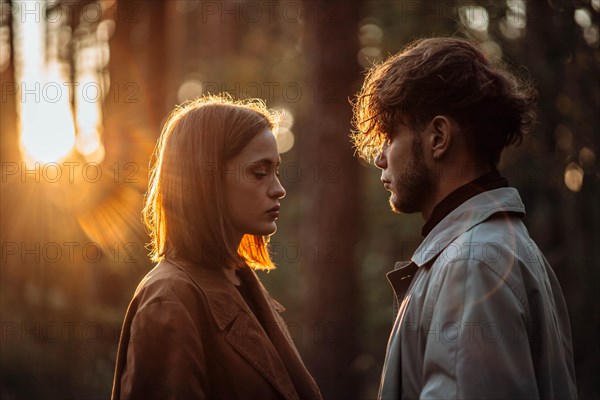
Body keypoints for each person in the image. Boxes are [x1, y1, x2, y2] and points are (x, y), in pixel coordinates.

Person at [352, 38, 577, 399]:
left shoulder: (472, 263)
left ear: (438, 137)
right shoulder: (496, 247)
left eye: (390, 136)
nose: (380, 158)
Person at [111, 95, 322, 400]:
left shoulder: (239, 279)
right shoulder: (169, 299)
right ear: (204, 180)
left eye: (276, 170)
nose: (278, 188)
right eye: (259, 172)